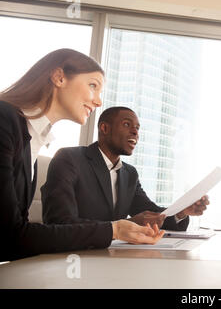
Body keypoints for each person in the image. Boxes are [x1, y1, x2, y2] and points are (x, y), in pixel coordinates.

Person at [0, 49, 163, 262]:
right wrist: (113, 230)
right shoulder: (5, 121)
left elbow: (15, 236)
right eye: (93, 86)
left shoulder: (30, 141)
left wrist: (116, 230)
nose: (98, 102)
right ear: (59, 77)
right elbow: (10, 238)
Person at [42, 106, 209, 229]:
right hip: (75, 259)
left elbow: (152, 215)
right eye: (127, 125)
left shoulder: (129, 174)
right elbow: (59, 223)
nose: (135, 132)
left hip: (114, 257)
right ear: (104, 128)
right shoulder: (69, 159)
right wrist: (125, 226)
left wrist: (182, 211)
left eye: (137, 128)